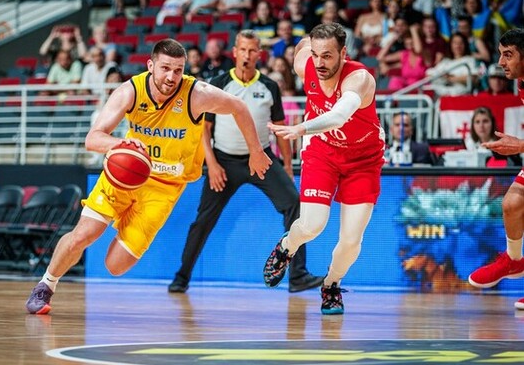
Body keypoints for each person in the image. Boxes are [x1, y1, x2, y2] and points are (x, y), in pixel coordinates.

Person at [25, 38, 272, 314]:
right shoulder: (130, 91)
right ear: (151, 65)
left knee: (115, 266)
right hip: (124, 177)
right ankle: (45, 286)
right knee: (83, 235)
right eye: (165, 68)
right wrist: (122, 145)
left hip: (164, 189)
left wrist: (256, 151)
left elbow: (239, 106)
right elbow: (93, 138)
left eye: (178, 70)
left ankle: (121, 227)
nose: (171, 77)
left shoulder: (196, 94)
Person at [168, 30, 324, 294]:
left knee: (294, 204)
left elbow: (280, 129)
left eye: (252, 50)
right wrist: (212, 164)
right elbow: (204, 130)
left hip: (261, 157)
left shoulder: (269, 86)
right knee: (203, 220)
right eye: (243, 50)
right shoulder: (218, 83)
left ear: (259, 55)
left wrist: (287, 166)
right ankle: (182, 277)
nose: (247, 55)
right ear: (235, 52)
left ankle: (297, 275)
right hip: (224, 162)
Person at [262, 23, 386, 315]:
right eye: (316, 55)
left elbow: (339, 116)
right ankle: (286, 247)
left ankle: (331, 285)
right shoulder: (305, 61)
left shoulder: (359, 79)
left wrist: (301, 128)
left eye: (328, 56)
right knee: (312, 225)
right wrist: (312, 43)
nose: (319, 63)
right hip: (323, 152)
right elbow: (303, 47)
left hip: (363, 160)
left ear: (343, 53)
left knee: (351, 241)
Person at [468, 29, 524, 309]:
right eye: (501, 54)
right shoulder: (521, 83)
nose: (501, 62)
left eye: (508, 55)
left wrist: (520, 145)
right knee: (512, 203)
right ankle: (514, 260)